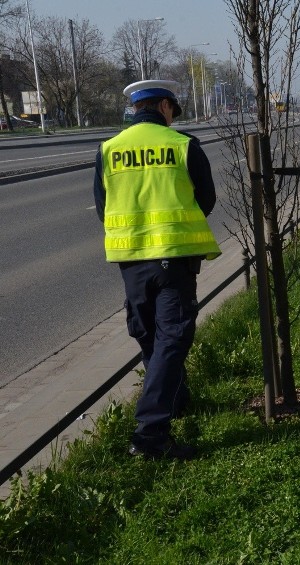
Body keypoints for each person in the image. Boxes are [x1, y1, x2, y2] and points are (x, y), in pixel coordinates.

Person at [93, 79, 221, 460]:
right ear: (164, 107)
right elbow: (207, 200)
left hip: (130, 260)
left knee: (149, 334)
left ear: (135, 108)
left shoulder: (109, 150)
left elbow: (103, 208)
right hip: (174, 257)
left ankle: (175, 399)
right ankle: (150, 434)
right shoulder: (183, 145)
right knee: (172, 338)